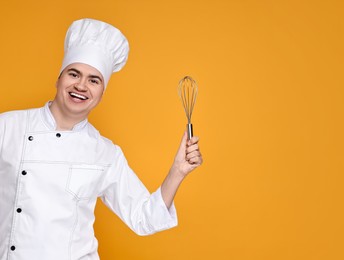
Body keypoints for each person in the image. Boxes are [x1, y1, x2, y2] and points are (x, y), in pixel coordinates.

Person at [0, 18, 202, 260]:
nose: (81, 85)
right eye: (74, 74)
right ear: (58, 79)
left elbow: (144, 218)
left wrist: (177, 171)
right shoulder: (7, 126)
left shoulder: (105, 153)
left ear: (101, 93)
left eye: (93, 80)